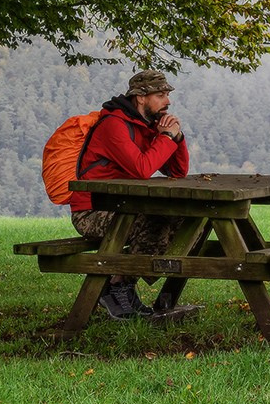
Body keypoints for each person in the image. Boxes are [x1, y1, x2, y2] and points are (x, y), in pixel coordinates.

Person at [69, 69, 190, 319]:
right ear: (141, 97)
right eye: (160, 95)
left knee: (187, 219)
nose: (168, 101)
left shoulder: (147, 126)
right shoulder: (114, 125)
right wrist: (166, 136)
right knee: (154, 223)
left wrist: (177, 138)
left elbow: (177, 170)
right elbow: (143, 168)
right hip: (92, 211)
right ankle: (117, 284)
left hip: (126, 207)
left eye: (167, 94)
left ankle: (118, 279)